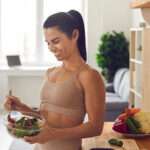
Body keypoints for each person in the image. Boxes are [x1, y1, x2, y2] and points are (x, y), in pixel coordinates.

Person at [4, 10, 105, 150]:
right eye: (48, 43)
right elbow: (47, 118)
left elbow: (95, 127)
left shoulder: (89, 76)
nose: (51, 48)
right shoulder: (50, 73)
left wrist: (53, 135)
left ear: (74, 35)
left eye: (56, 41)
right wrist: (22, 108)